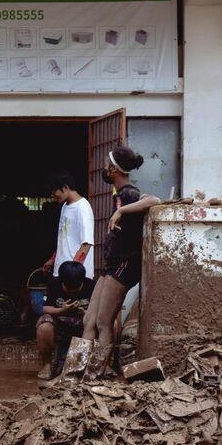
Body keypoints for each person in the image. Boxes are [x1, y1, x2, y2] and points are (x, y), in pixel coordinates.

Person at [82, 145, 161, 379]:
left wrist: (122, 211)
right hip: (112, 264)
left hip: (124, 264)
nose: (105, 170)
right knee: (89, 319)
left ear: (115, 169)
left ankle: (94, 373)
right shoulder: (120, 195)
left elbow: (155, 200)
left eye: (108, 166)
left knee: (103, 321)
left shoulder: (128, 194)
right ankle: (77, 371)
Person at [35, 260, 95, 380]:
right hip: (59, 319)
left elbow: (100, 309)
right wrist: (62, 311)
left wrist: (87, 314)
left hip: (84, 321)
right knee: (44, 326)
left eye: (76, 289)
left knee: (111, 324)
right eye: (68, 289)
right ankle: (47, 364)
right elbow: (43, 308)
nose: (72, 292)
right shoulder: (53, 284)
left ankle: (99, 364)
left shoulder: (91, 285)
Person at [42, 169, 95, 281]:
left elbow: (86, 244)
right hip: (61, 273)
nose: (53, 196)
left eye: (54, 191)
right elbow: (65, 239)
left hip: (75, 278)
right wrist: (53, 259)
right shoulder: (65, 206)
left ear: (65, 187)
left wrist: (72, 272)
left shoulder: (82, 208)